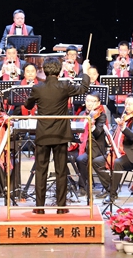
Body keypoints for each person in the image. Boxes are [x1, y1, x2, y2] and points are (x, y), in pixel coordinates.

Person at [24, 57, 91, 213]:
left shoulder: (37, 88)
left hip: (43, 135)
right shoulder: (64, 85)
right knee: (61, 171)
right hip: (60, 135)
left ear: (44, 71)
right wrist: (85, 70)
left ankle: (39, 208)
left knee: (41, 171)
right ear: (59, 71)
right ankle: (61, 208)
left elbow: (28, 105)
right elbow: (83, 88)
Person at [94, 94, 133, 204]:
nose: (127, 106)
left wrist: (123, 127)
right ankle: (110, 188)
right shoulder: (125, 116)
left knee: (118, 163)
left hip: (132, 153)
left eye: (130, 104)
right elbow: (115, 129)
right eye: (126, 104)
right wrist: (110, 135)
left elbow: (132, 135)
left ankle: (112, 195)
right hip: (119, 151)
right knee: (96, 162)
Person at [68, 91, 107, 196]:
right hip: (80, 146)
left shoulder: (101, 116)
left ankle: (83, 187)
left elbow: (98, 133)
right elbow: (76, 130)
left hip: (94, 148)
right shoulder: (82, 114)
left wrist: (92, 125)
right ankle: (70, 183)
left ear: (98, 103)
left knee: (81, 159)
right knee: (60, 154)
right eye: (88, 101)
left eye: (93, 101)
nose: (89, 104)